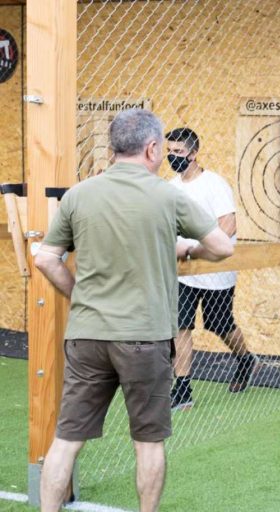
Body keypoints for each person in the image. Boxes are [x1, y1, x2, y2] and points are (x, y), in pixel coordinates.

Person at [34, 109, 234, 512]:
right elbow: (222, 246)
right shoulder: (169, 195)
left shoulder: (79, 194)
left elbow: (45, 259)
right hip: (144, 337)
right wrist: (186, 247)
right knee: (148, 442)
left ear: (112, 149)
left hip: (88, 334)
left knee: (67, 439)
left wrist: (79, 297)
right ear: (153, 148)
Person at [165, 127, 257, 410]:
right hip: (184, 269)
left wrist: (200, 248)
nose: (173, 157)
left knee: (220, 324)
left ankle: (245, 359)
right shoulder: (171, 187)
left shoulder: (214, 184)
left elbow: (229, 224)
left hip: (216, 269)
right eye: (169, 151)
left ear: (194, 153)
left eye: (178, 152)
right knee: (179, 325)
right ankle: (183, 389)